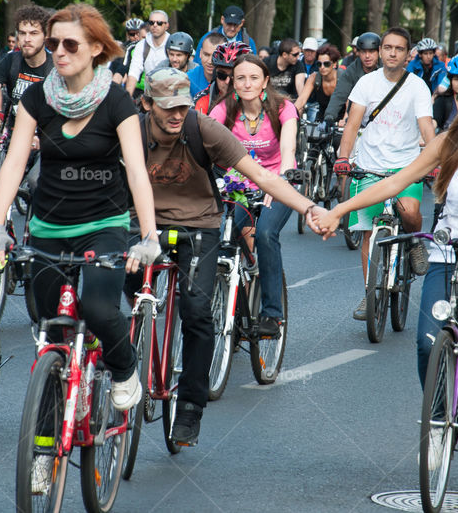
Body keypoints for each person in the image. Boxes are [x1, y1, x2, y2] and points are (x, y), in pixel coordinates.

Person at [316, 64, 458, 413]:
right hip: (449, 251)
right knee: (426, 343)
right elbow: (395, 182)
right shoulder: (448, 144)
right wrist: (338, 209)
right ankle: (438, 418)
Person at [0, 3, 161, 419]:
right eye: (53, 42)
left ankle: (123, 367)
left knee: (98, 310)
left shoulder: (117, 102)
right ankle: (43, 452)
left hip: (104, 226)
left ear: (96, 47)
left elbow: (136, 170)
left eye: (70, 43)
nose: (59, 51)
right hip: (47, 226)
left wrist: (148, 236)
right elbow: (12, 161)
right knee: (51, 332)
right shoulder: (37, 97)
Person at [134, 67, 321, 445]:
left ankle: (189, 407)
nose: (176, 115)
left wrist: (308, 209)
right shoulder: (133, 132)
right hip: (144, 224)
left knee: (198, 314)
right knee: (119, 295)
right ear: (147, 104)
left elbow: (265, 177)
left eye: (182, 107)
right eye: (167, 107)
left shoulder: (202, 128)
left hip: (198, 225)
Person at [332, 27, 435, 320]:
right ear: (380, 52)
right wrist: (343, 157)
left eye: (398, 49)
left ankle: (414, 239)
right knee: (367, 234)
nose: (391, 53)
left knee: (411, 210)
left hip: (405, 168)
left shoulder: (418, 87)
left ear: (407, 55)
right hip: (370, 166)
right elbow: (352, 125)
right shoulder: (366, 83)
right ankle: (369, 294)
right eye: (387, 47)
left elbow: (427, 128)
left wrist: (433, 157)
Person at [209, 54, 299, 337]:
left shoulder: (283, 108)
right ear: (233, 82)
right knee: (223, 238)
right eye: (240, 78)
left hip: (279, 183)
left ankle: (272, 315)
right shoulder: (223, 110)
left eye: (253, 78)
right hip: (238, 186)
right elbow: (202, 146)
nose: (247, 84)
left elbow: (288, 154)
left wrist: (278, 183)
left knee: (265, 234)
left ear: (265, 81)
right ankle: (232, 296)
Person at [0, 4, 53, 133]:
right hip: (15, 132)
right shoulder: (11, 60)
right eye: (22, 33)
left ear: (45, 36)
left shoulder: (55, 66)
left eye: (34, 33)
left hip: (46, 136)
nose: (27, 39)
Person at [323, 32, 382, 124]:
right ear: (358, 52)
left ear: (379, 51)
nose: (367, 56)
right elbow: (339, 95)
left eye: (371, 51)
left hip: (382, 117)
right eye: (363, 52)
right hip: (356, 117)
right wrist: (329, 116)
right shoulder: (351, 70)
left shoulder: (386, 68)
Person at [193, 40, 249, 116]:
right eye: (222, 75)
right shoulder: (202, 101)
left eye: (234, 76)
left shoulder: (260, 100)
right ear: (215, 74)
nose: (227, 81)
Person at [124, 10, 170, 99]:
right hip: (149, 94)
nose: (155, 25)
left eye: (159, 23)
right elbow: (134, 73)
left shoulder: (172, 44)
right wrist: (127, 99)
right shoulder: (141, 45)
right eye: (151, 22)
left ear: (167, 26)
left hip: (170, 94)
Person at [294, 43, 341, 122]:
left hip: (342, 120)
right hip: (321, 120)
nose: (322, 67)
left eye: (326, 64)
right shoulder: (314, 77)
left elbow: (349, 105)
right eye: (319, 64)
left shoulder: (342, 78)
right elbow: (301, 100)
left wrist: (345, 120)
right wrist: (289, 115)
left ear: (334, 64)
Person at [187, 32, 226, 98]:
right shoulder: (188, 79)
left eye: (216, 56)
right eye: (206, 55)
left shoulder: (232, 80)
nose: (210, 61)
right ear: (200, 53)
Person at [109, 17, 145, 85]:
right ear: (127, 34)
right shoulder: (124, 48)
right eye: (132, 34)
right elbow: (114, 67)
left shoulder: (148, 46)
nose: (135, 36)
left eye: (138, 33)